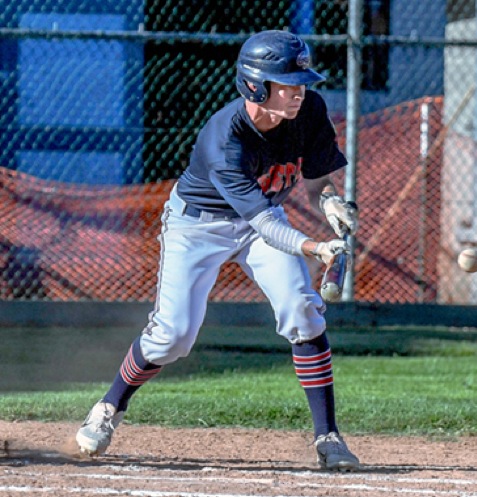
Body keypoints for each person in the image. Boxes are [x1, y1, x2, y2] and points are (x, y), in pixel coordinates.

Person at [76, 29, 360, 471]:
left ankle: (328, 437)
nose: (298, 92)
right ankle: (109, 406)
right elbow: (264, 225)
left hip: (262, 217)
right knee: (172, 336)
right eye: (286, 83)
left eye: (301, 82)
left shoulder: (310, 110)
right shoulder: (225, 137)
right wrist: (315, 247)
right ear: (255, 85)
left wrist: (330, 204)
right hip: (198, 226)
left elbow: (315, 181)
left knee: (303, 311)